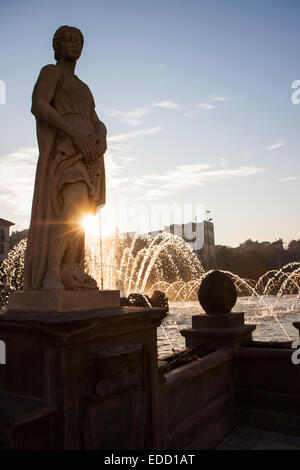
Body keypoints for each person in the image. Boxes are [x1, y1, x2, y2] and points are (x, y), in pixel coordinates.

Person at [23, 25, 107, 291]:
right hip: (66, 150)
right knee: (73, 207)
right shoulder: (51, 73)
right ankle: (51, 272)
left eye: (78, 40)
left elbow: (96, 120)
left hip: (90, 155)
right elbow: (39, 105)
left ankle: (70, 270)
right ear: (57, 47)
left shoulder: (83, 87)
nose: (74, 44)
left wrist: (102, 135)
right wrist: (73, 133)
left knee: (82, 215)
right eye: (68, 40)